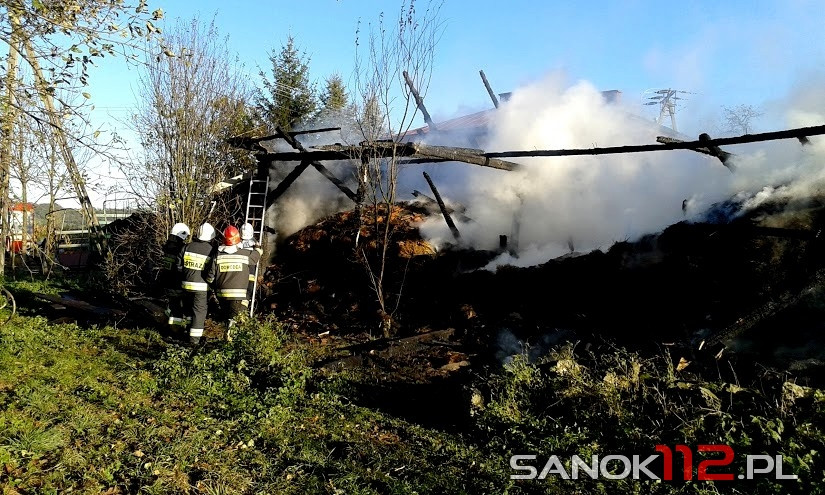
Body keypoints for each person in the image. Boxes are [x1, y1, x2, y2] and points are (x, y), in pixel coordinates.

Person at [214, 225, 261, 339]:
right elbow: (255, 257)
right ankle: (231, 333)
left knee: (228, 312)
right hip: (240, 285)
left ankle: (232, 325)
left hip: (223, 289)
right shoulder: (245, 251)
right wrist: (258, 249)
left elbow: (211, 274)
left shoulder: (219, 254)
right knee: (236, 309)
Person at [181, 222, 218, 346]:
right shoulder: (211, 250)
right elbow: (212, 270)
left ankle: (186, 332)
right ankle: (194, 341)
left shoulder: (187, 246)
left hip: (185, 285)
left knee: (188, 310)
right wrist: (210, 282)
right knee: (199, 312)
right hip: (201, 287)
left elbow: (178, 266)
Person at [159, 222, 189, 335]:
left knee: (172, 305)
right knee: (177, 308)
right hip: (176, 283)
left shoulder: (167, 247)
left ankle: (165, 322)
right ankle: (174, 330)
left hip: (167, 282)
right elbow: (180, 268)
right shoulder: (180, 249)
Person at [240, 222, 263, 302]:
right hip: (251, 267)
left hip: (241, 270)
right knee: (249, 289)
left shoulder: (238, 243)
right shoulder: (255, 243)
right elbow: (259, 252)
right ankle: (245, 307)